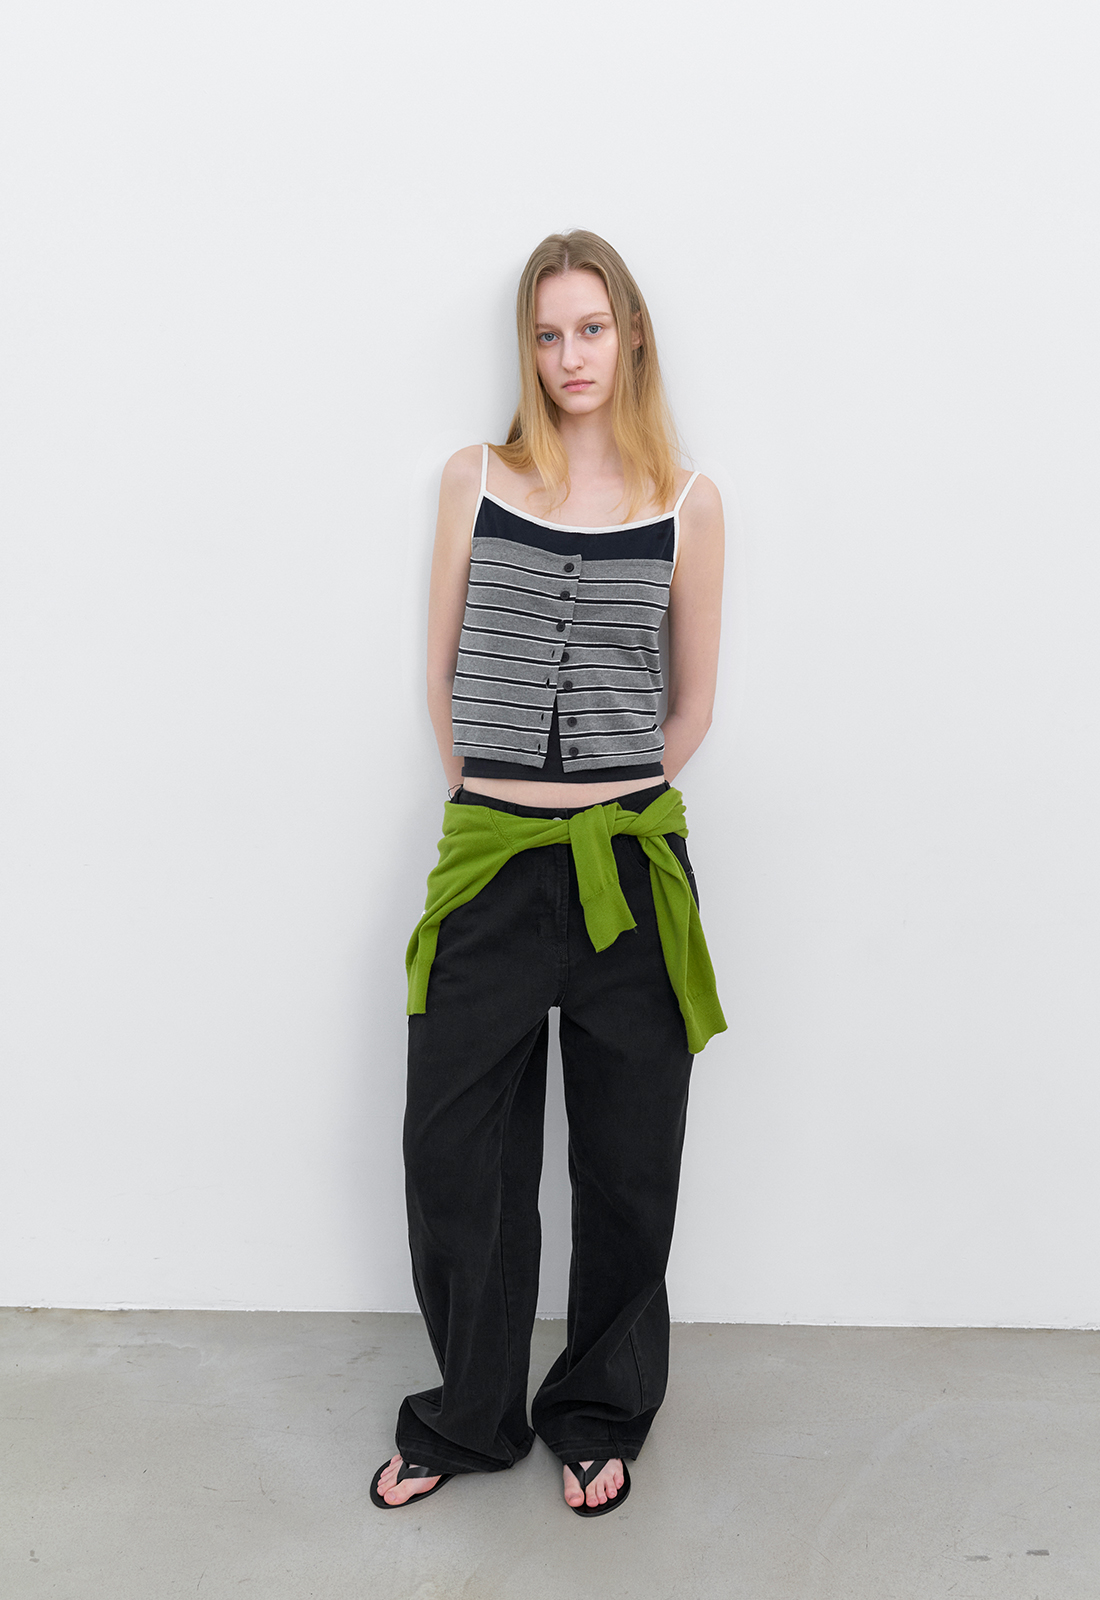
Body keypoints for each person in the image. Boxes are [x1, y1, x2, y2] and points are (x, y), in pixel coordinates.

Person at [371, 230, 726, 1518]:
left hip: (630, 870)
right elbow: (441, 676)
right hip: (491, 863)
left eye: (590, 327)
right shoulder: (475, 479)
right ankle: (470, 1415)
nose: (570, 355)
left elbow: (692, 704)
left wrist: (611, 803)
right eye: (546, 333)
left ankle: (596, 1413)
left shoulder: (687, 502)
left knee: (630, 1165)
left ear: (629, 335)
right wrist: (502, 801)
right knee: (454, 1154)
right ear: (526, 349)